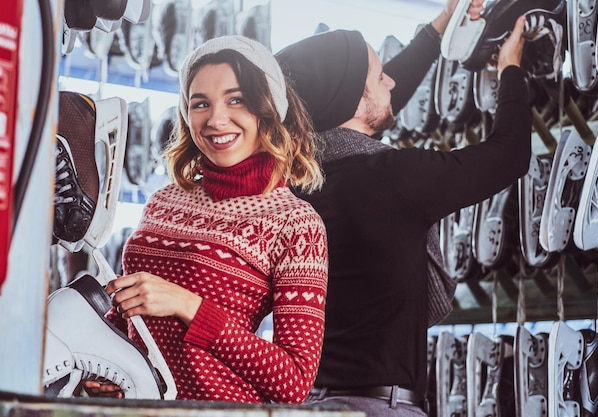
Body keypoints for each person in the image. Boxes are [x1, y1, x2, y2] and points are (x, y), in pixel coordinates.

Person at [275, 0, 530, 415]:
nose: (392, 82)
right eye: (380, 76)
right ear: (354, 102)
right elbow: (510, 155)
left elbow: (373, 105)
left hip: (311, 403)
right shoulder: (394, 177)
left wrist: (441, 25)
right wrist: (511, 70)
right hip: (382, 406)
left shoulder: (295, 184)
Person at [85, 35, 329, 403]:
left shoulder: (294, 222)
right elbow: (130, 319)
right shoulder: (163, 201)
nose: (216, 119)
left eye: (236, 99)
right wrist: (105, 368)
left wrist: (187, 306)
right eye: (200, 104)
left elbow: (293, 382)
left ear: (268, 108)